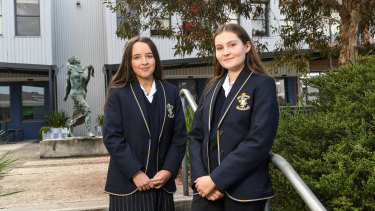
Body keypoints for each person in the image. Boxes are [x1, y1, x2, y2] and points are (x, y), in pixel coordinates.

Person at [188, 24, 279, 211]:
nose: (226, 52)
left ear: (247, 46)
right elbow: (195, 136)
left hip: (244, 192)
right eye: (219, 48)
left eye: (232, 45)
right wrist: (201, 180)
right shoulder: (211, 88)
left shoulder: (262, 84)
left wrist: (216, 180)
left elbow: (258, 141)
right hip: (206, 193)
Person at [102, 36, 187, 211]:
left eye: (149, 56)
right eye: (137, 57)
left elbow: (179, 138)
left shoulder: (170, 92)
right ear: (129, 61)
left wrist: (168, 171)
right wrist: (135, 172)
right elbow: (112, 137)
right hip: (128, 187)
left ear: (155, 58)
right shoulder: (118, 93)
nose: (144, 62)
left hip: (161, 186)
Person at [63, 56, 95, 137]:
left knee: (76, 111)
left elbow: (86, 79)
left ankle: (70, 129)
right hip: (75, 93)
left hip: (82, 93)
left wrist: (89, 70)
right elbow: (67, 83)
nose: (78, 58)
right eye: (76, 58)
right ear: (73, 61)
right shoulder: (70, 69)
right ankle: (89, 132)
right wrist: (66, 95)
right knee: (87, 110)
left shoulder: (83, 69)